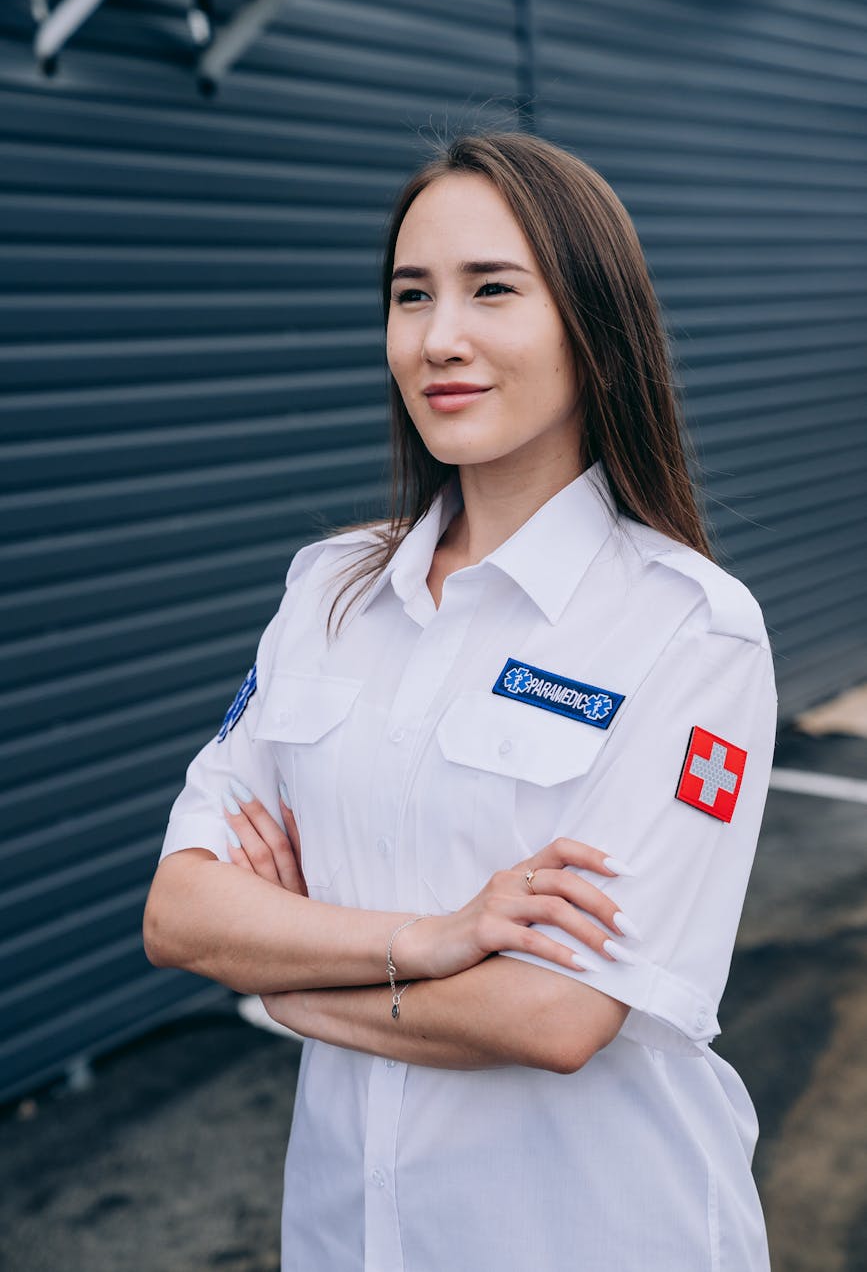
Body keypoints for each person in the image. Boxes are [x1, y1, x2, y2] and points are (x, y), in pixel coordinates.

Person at [143, 129, 777, 1271]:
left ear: (593, 323)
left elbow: (556, 1017)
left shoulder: (690, 628)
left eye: (493, 289)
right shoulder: (327, 593)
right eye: (409, 295)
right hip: (346, 1235)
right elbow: (181, 914)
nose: (440, 338)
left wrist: (284, 985)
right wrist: (429, 942)